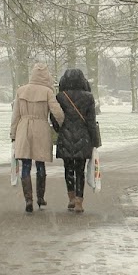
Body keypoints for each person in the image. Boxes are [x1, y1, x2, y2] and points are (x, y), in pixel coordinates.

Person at [10, 63, 65, 213]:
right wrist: (62, 125)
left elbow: (15, 115)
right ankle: (40, 197)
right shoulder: (47, 92)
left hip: (23, 128)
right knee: (40, 164)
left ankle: (28, 199)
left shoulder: (21, 90)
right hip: (41, 128)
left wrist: (13, 134)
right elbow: (57, 112)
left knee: (26, 166)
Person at [53, 68, 101, 213]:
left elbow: (55, 118)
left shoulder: (60, 97)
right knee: (80, 170)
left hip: (65, 137)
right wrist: (95, 141)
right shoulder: (88, 97)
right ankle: (79, 201)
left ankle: (71, 198)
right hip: (83, 137)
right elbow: (91, 121)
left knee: (68, 168)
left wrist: (59, 129)